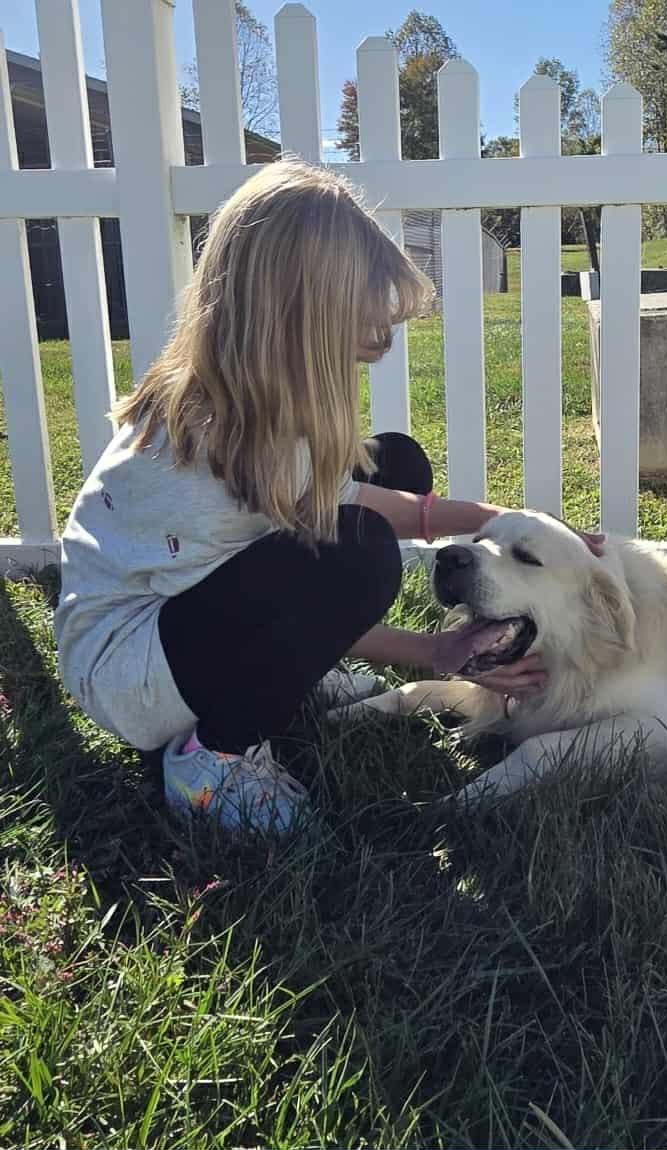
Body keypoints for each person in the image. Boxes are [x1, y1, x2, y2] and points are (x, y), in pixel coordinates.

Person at [54, 159, 601, 833]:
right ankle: (213, 759)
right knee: (358, 555)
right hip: (131, 674)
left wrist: (503, 521)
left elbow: (385, 507)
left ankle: (281, 679)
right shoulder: (223, 443)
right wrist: (433, 655)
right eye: (346, 343)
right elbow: (317, 575)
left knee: (393, 462)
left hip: (169, 631)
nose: (361, 359)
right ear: (295, 317)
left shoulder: (240, 403)